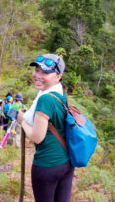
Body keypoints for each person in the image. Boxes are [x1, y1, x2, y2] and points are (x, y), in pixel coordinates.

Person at [17, 54, 74, 202]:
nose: (38, 76)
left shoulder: (45, 99)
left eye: (46, 72)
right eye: (37, 70)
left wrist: (22, 120)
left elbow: (37, 137)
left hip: (47, 165)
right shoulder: (60, 92)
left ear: (58, 76)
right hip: (66, 162)